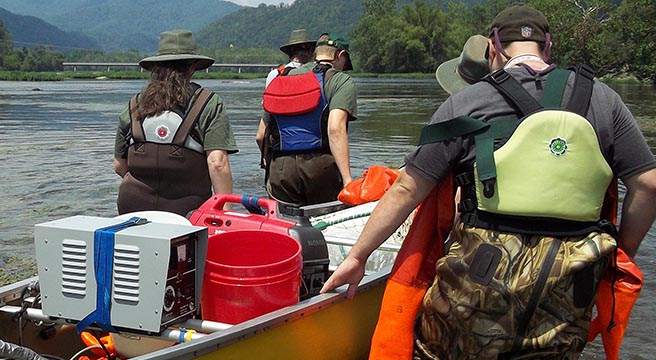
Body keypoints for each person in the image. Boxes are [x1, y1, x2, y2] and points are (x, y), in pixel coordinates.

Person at [320, 5, 656, 358]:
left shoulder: (468, 101)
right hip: (568, 294)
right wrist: (620, 254)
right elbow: (648, 185)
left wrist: (358, 256)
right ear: (548, 47)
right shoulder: (605, 100)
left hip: (477, 291)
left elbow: (406, 188)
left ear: (493, 48)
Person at [114, 29, 237, 216]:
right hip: (188, 214)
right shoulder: (209, 103)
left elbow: (119, 164)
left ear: (156, 67)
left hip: (132, 208)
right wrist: (226, 212)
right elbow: (217, 163)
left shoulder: (134, 105)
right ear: (192, 67)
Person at [255, 32, 358, 206]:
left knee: (285, 221)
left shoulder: (281, 78)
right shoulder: (339, 80)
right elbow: (335, 129)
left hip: (280, 169)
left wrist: (269, 160)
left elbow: (260, 135)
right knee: (326, 220)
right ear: (340, 56)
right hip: (320, 168)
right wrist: (348, 181)